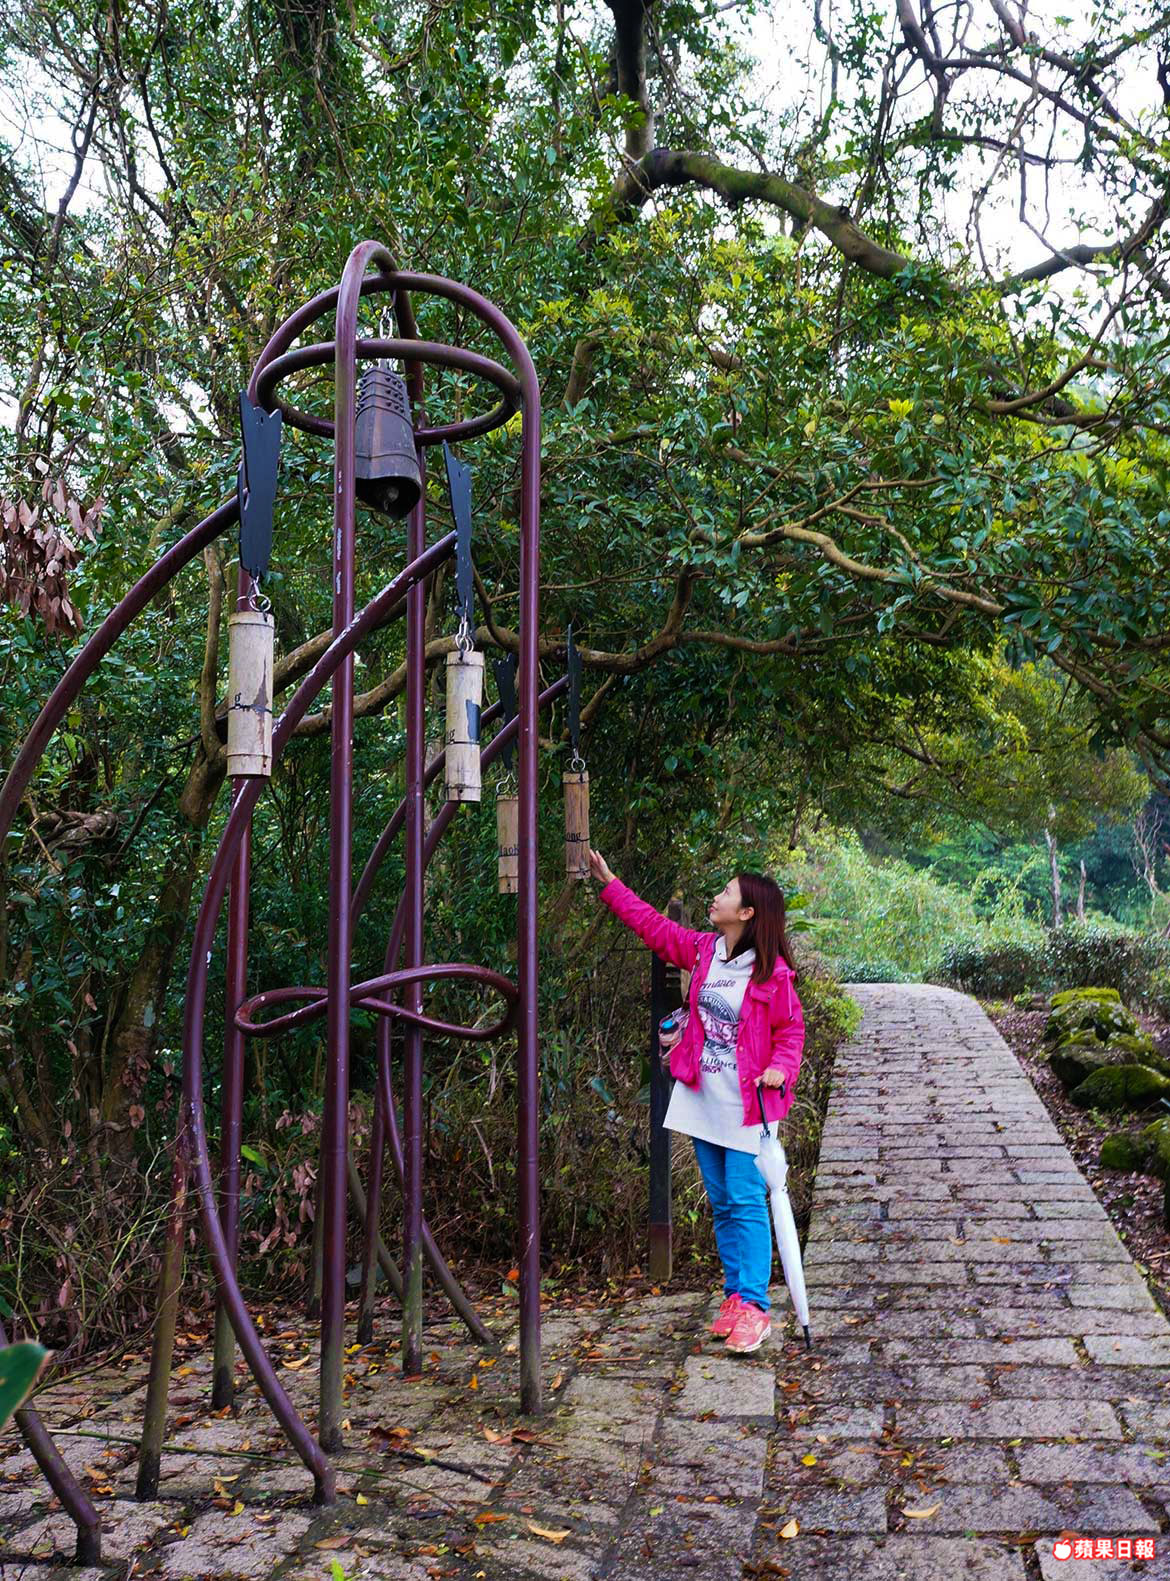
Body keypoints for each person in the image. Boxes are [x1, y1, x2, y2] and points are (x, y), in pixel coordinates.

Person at [587, 849, 805, 1354]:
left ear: (748, 913)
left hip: (748, 1104)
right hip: (704, 1097)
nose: (717, 897)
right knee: (724, 1202)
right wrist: (610, 882)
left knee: (748, 1201)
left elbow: (791, 1030)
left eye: (727, 893)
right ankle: (734, 1295)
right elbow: (654, 928)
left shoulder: (773, 974)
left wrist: (780, 1068)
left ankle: (755, 1307)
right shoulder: (706, 951)